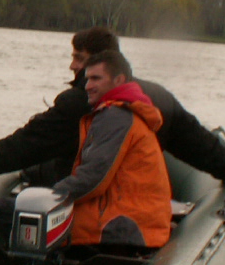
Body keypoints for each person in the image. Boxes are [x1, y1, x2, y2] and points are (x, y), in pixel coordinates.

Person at [0, 26, 225, 184]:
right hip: (138, 208)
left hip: (91, 207)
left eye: (79, 59)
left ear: (101, 64)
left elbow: (28, 143)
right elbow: (197, 143)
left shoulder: (79, 104)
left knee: (7, 208)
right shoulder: (158, 98)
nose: (72, 65)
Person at [51, 50, 172, 248]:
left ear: (119, 80)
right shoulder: (127, 112)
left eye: (96, 79)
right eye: (87, 79)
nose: (88, 86)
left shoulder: (115, 116)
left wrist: (50, 197)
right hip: (140, 225)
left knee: (8, 210)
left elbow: (92, 179)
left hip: (117, 228)